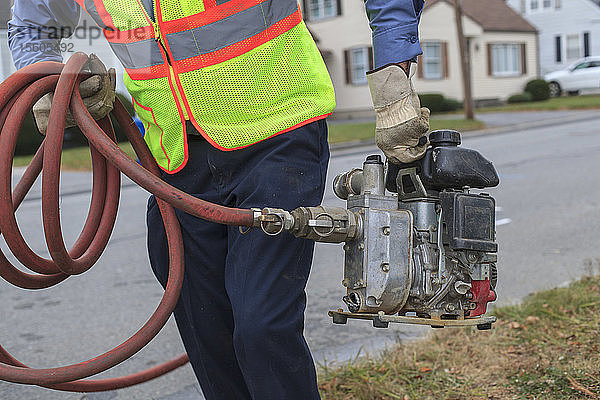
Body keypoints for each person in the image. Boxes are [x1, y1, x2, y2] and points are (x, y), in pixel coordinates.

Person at [8, 1, 429, 399]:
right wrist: (49, 78)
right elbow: (31, 23)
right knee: (206, 327)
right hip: (174, 155)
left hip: (275, 131)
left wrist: (394, 71)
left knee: (261, 323)